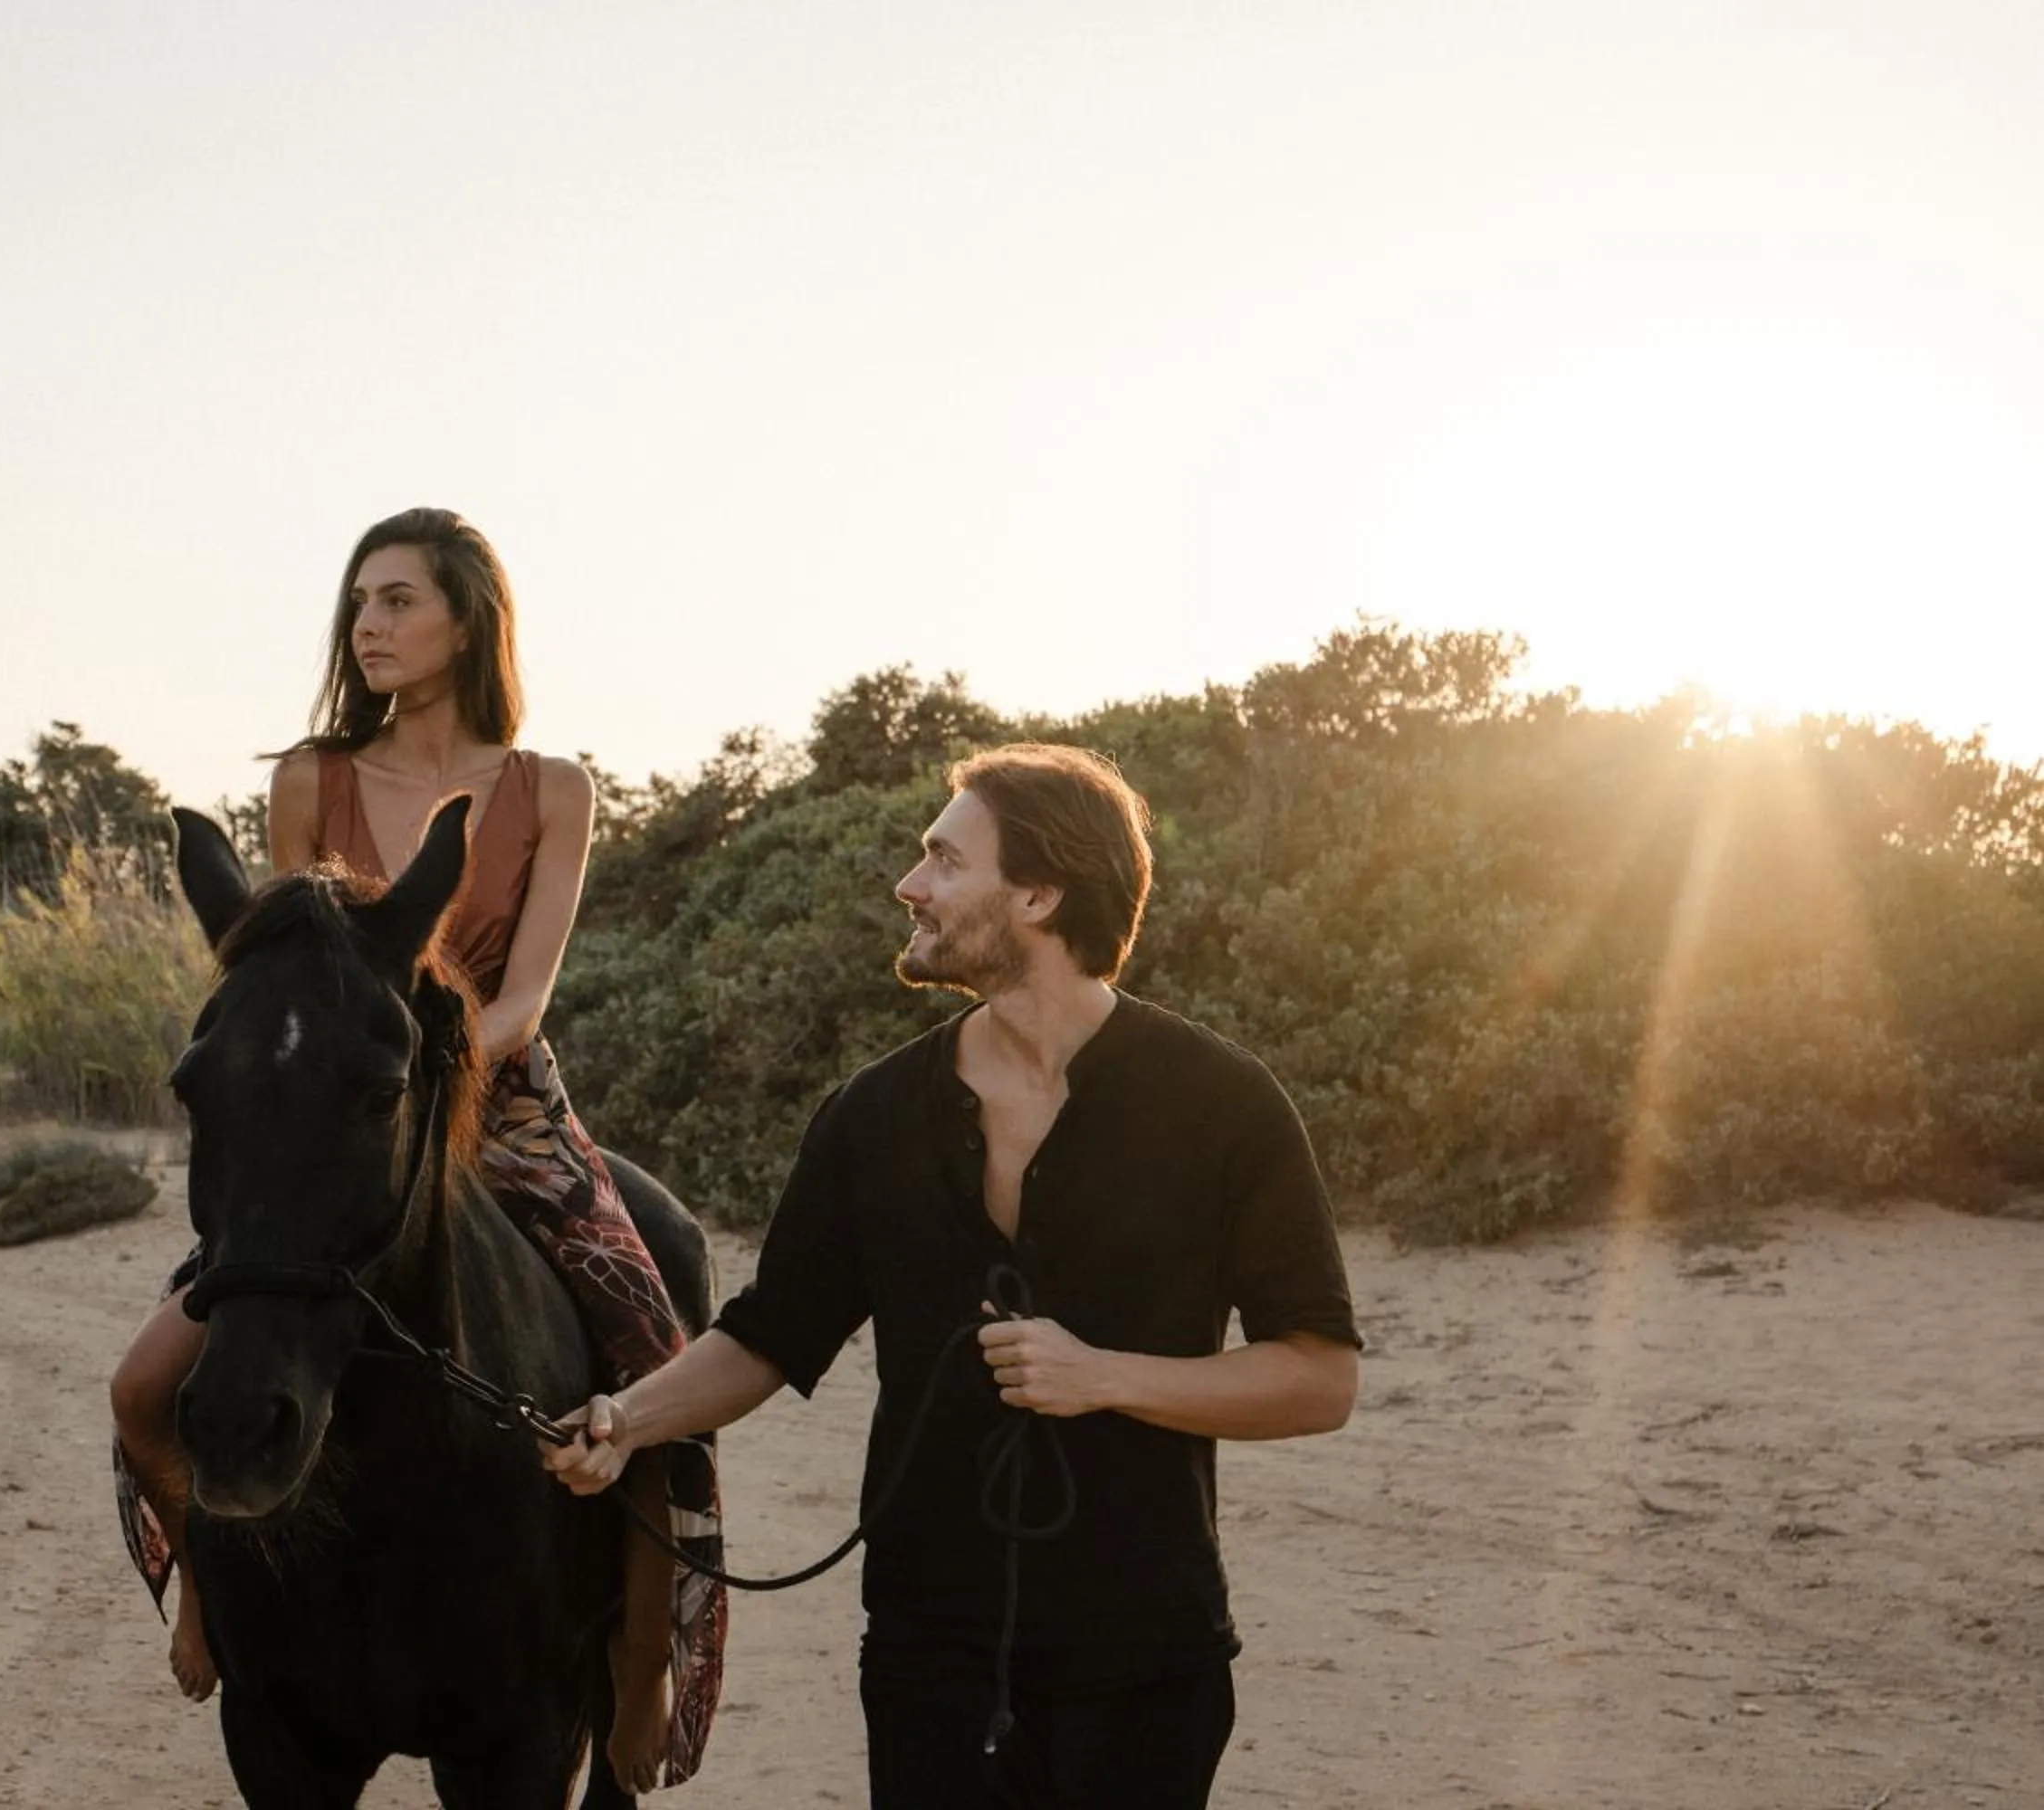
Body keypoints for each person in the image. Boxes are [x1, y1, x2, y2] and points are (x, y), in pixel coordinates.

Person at [542, 742, 1360, 1810]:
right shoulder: (870, 1116)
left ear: (1038, 891)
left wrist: (1102, 1374)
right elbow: (770, 1332)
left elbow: (1318, 1378)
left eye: (943, 859)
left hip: (1148, 1650)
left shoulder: (1223, 1107)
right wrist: (627, 1417)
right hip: (930, 1648)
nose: (909, 883)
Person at [107, 506, 724, 1786]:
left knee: (654, 1332)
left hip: (494, 1096)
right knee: (140, 1386)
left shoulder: (552, 790)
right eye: (360, 603)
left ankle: (643, 1662)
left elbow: (527, 994)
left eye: (398, 601)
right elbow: (290, 979)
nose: (368, 626)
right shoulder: (308, 781)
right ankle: (210, 1591)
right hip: (342, 1109)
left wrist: (443, 1073)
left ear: (467, 620)